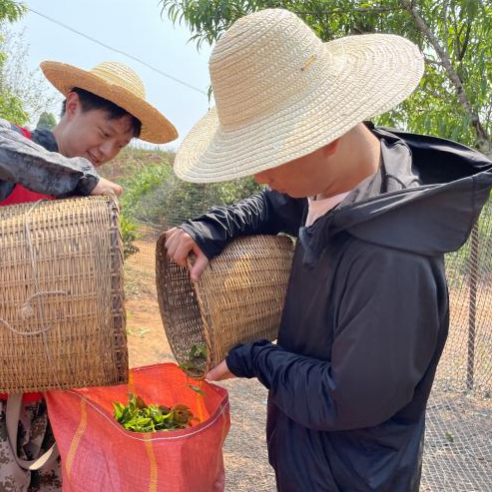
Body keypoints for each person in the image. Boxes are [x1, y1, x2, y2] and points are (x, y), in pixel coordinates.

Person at [164, 8, 492, 492]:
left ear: (327, 134)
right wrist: (212, 227)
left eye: (266, 157)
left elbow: (344, 400)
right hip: (308, 461)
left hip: (351, 477)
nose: (259, 174)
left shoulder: (391, 259)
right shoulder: (330, 181)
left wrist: (255, 358)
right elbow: (274, 204)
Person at [0, 60, 177, 491]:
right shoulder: (10, 154)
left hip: (51, 393)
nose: (107, 153)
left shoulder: (89, 203)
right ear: (72, 105)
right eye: (105, 134)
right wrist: (77, 179)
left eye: (121, 145)